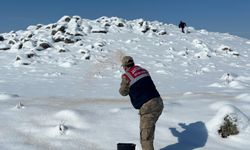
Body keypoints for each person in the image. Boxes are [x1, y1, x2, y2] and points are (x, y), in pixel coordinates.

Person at [119, 56, 164, 150]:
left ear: (124, 67)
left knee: (146, 138)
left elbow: (123, 92)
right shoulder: (143, 70)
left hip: (148, 107)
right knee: (148, 133)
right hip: (158, 102)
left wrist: (124, 82)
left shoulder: (127, 76)